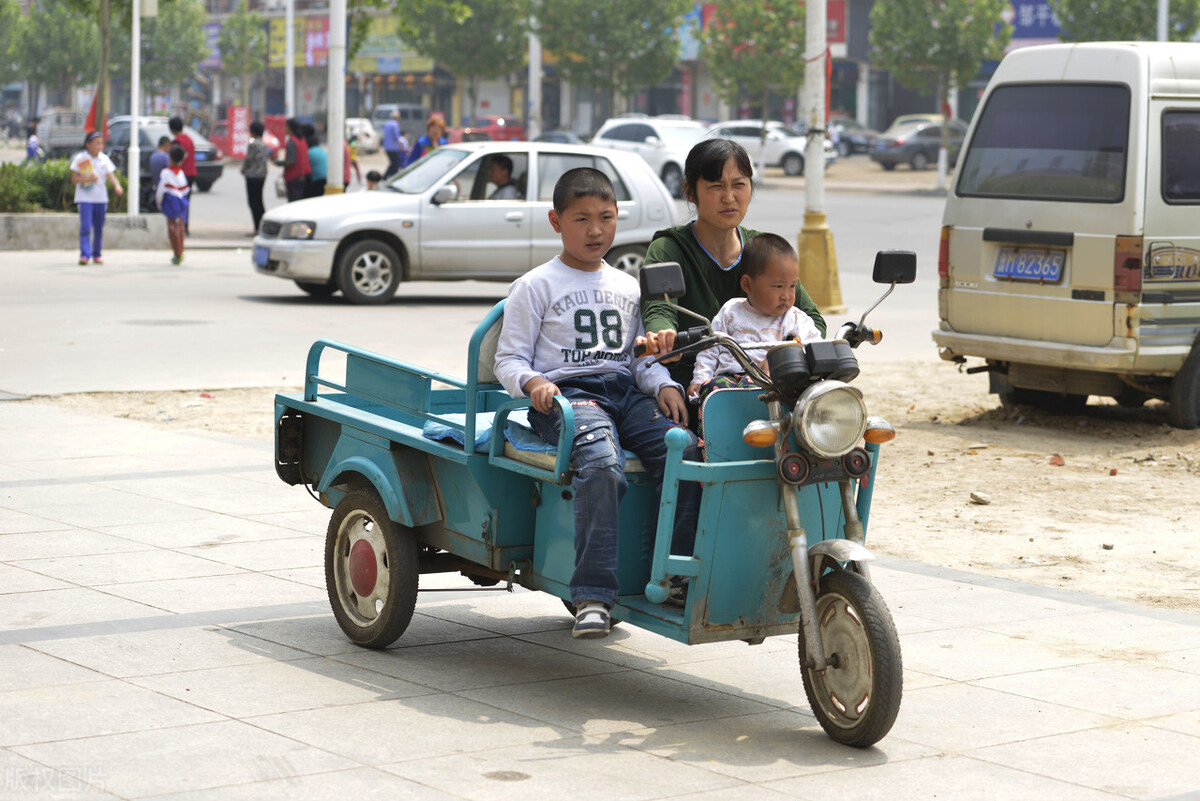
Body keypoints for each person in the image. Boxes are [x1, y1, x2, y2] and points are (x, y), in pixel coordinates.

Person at [494, 168, 702, 639]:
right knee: (602, 464)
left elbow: (639, 361)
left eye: (605, 218)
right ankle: (592, 595)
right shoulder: (535, 285)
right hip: (568, 398)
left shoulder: (629, 287)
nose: (595, 230)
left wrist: (664, 384)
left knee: (686, 450)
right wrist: (533, 385)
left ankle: (674, 578)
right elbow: (509, 359)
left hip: (625, 393)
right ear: (555, 221)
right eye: (581, 219)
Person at [640, 138, 827, 393]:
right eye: (716, 186)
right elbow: (659, 311)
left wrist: (781, 354)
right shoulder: (669, 248)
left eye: (739, 185)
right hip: (693, 387)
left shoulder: (762, 250)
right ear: (690, 191)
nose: (729, 197)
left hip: (769, 385)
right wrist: (663, 336)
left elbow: (812, 320)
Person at [688, 233, 824, 406]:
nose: (787, 296)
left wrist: (783, 359)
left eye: (792, 286)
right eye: (778, 286)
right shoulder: (730, 311)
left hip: (775, 383)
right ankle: (707, 433)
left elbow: (815, 348)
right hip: (729, 382)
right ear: (747, 285)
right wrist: (700, 379)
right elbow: (710, 350)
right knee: (711, 389)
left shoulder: (796, 318)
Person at [70, 131, 124, 266]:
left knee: (99, 228)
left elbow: (111, 176)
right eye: (97, 143)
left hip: (101, 198)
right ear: (88, 144)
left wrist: (117, 186)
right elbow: (74, 178)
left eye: (101, 143)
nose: (100, 146)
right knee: (86, 227)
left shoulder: (104, 159)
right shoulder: (80, 158)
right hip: (85, 198)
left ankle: (97, 254)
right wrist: (87, 178)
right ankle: (85, 255)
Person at [155, 144, 190, 266]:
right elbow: (186, 190)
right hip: (182, 201)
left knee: (172, 228)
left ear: (169, 157)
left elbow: (160, 190)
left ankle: (177, 254)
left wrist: (158, 203)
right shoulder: (181, 172)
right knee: (180, 227)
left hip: (171, 202)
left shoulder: (165, 173)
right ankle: (180, 250)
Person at [168, 117, 196, 234]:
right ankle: (185, 227)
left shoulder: (177, 142)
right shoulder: (189, 139)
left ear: (172, 129)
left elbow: (174, 160)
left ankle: (181, 227)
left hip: (181, 175)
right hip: (192, 173)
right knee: (186, 201)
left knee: (178, 202)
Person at [241, 121, 270, 233]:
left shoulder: (253, 144)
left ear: (252, 131)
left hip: (252, 176)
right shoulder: (263, 144)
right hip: (262, 175)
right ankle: (262, 226)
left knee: (253, 202)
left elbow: (249, 159)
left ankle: (258, 227)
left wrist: (243, 169)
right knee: (259, 201)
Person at [278, 117, 311, 202]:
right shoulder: (302, 140)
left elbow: (290, 161)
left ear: (289, 127)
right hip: (303, 176)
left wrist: (278, 162)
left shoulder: (292, 141)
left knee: (293, 203)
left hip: (294, 177)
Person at [304, 123, 327, 198]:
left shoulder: (308, 153)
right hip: (326, 178)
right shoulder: (321, 150)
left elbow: (306, 170)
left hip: (317, 180)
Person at [381, 111, 406, 179]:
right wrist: (402, 147)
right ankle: (390, 177)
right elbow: (396, 137)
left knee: (393, 163)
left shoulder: (387, 124)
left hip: (387, 147)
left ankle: (386, 177)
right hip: (393, 148)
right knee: (395, 164)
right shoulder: (395, 124)